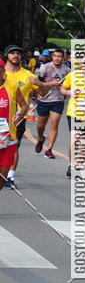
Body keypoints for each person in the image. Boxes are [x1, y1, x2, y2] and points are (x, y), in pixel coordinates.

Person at [2, 45, 52, 189]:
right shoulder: (1, 72)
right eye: (12, 53)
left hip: (17, 117)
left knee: (13, 147)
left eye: (18, 53)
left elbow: (44, 94)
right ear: (7, 55)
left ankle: (10, 177)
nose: (16, 56)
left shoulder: (27, 75)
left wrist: (39, 84)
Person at [35, 47, 70, 158]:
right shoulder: (45, 67)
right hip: (43, 99)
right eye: (55, 56)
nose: (57, 58)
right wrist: (51, 84)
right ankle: (41, 138)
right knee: (41, 125)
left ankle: (49, 149)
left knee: (54, 125)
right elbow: (37, 83)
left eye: (59, 56)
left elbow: (69, 84)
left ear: (63, 57)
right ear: (52, 57)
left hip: (58, 101)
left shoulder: (67, 70)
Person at [0, 64, 27, 192]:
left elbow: (24, 105)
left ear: (2, 72)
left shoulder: (12, 88)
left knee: (3, 176)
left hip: (8, 138)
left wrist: (19, 115)